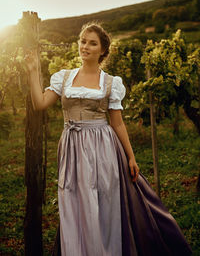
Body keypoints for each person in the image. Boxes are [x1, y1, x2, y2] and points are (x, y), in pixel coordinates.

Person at [25, 22, 192, 256]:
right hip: (72, 146)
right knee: (73, 200)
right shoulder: (63, 78)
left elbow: (117, 123)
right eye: (83, 41)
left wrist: (131, 157)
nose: (85, 46)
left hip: (102, 147)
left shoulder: (111, 83)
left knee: (103, 200)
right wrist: (33, 71)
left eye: (92, 43)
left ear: (103, 50)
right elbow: (40, 103)